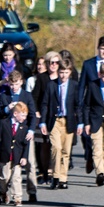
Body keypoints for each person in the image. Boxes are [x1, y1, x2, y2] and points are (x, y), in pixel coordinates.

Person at [78, 35, 104, 173]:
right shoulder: (88, 64)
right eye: (102, 49)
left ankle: (101, 170)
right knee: (91, 141)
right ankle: (91, 158)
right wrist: (79, 109)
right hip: (92, 109)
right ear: (98, 48)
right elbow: (82, 86)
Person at [0, 69, 39, 188]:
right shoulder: (4, 96)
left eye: (16, 84)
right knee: (3, 163)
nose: (14, 87)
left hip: (24, 132)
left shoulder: (26, 95)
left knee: (30, 162)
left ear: (21, 82)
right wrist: (7, 108)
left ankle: (32, 190)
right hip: (8, 133)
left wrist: (31, 130)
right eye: (11, 84)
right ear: (8, 83)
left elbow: (32, 115)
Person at [40, 60, 79, 189]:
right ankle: (55, 177)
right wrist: (42, 122)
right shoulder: (51, 85)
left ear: (70, 73)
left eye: (66, 72)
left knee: (66, 151)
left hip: (68, 121)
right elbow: (44, 104)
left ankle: (63, 178)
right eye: (61, 72)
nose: (63, 75)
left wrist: (81, 123)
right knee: (56, 148)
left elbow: (78, 105)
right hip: (55, 120)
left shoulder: (74, 85)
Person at [0, 100, 34, 206]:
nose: (24, 118)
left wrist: (24, 157)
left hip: (17, 156)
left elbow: (25, 144)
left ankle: (17, 198)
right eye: (22, 115)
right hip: (5, 155)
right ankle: (2, 192)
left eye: (25, 116)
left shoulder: (24, 127)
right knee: (4, 177)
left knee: (16, 177)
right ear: (15, 114)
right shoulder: (3, 124)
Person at [82, 60, 104, 187]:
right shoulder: (93, 85)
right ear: (99, 74)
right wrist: (86, 123)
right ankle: (100, 173)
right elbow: (86, 105)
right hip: (95, 121)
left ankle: (103, 171)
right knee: (96, 148)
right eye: (103, 76)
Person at [30, 52, 61, 184]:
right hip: (43, 115)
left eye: (56, 62)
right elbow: (35, 96)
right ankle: (43, 172)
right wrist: (36, 111)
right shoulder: (42, 78)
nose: (53, 65)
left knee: (56, 146)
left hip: (58, 117)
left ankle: (54, 171)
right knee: (43, 144)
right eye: (50, 63)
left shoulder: (63, 77)